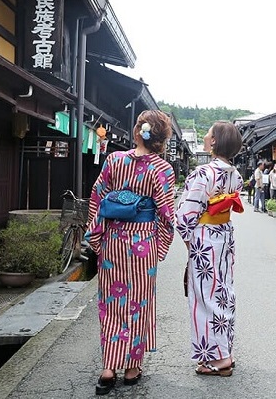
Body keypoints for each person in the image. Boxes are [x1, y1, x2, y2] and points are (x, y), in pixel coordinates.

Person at [85, 110, 175, 395]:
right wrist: (160, 246)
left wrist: (96, 236)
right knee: (138, 303)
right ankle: (132, 367)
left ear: (137, 131)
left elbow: (97, 196)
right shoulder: (163, 169)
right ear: (161, 139)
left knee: (111, 303)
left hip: (113, 240)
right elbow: (166, 214)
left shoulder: (114, 160)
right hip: (143, 243)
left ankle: (108, 368)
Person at [176, 121, 243, 377]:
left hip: (204, 238)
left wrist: (188, 243)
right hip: (224, 236)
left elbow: (185, 215)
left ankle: (218, 359)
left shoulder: (203, 173)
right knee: (223, 293)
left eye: (208, 134)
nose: (205, 136)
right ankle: (225, 350)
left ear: (214, 141)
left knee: (205, 298)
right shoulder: (234, 174)